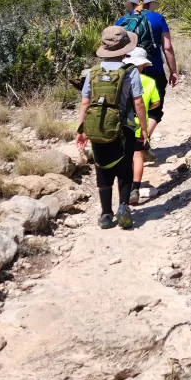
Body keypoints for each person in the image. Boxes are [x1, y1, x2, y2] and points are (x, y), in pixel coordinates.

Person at [75, 26, 149, 230]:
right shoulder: (130, 71)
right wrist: (143, 129)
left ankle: (106, 214)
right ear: (125, 49)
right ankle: (124, 206)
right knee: (125, 168)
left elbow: (85, 102)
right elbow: (139, 102)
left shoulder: (93, 72)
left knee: (102, 169)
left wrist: (81, 130)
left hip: (97, 127)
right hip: (124, 128)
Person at [115, 0, 178, 158]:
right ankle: (142, 143)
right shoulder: (158, 18)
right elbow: (167, 47)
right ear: (148, 3)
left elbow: (114, 49)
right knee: (155, 109)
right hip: (153, 68)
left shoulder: (120, 21)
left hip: (125, 70)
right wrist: (173, 71)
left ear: (133, 3)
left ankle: (126, 145)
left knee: (128, 107)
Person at [120, 46, 161, 206]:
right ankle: (135, 189)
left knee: (125, 156)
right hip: (139, 125)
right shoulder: (150, 82)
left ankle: (125, 187)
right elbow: (156, 103)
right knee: (138, 156)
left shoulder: (122, 79)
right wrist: (145, 111)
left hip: (123, 123)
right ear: (143, 65)